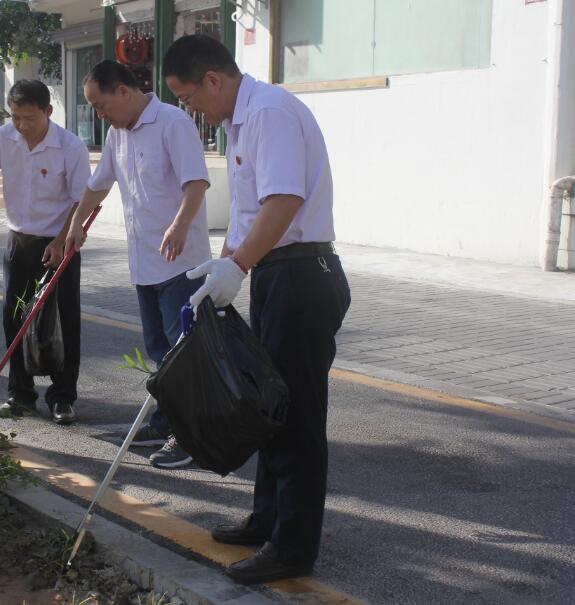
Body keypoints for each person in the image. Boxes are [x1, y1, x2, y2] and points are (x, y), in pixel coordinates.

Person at [161, 34, 352, 584]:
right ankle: (268, 518)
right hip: (275, 272)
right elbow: (248, 212)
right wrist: (223, 268)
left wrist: (238, 266)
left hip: (302, 277)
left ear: (214, 80)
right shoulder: (240, 122)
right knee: (267, 406)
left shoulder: (268, 113)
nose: (188, 108)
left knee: (296, 418)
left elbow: (284, 200)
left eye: (188, 96)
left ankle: (292, 547)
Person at [63, 60, 212, 469]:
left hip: (181, 263)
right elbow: (97, 186)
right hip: (144, 262)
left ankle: (190, 435)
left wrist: (181, 225)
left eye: (100, 104)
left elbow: (195, 182)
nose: (99, 113)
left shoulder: (172, 123)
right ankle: (166, 422)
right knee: (159, 351)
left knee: (184, 354)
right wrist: (75, 226)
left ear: (125, 92)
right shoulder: (117, 134)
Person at [0, 79, 90, 425]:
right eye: (15, 117)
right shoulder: (3, 137)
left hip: (61, 242)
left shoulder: (70, 147)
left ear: (48, 112)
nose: (22, 125)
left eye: (29, 118)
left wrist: (61, 238)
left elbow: (81, 199)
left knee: (65, 321)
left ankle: (63, 396)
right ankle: (20, 393)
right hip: (19, 240)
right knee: (15, 316)